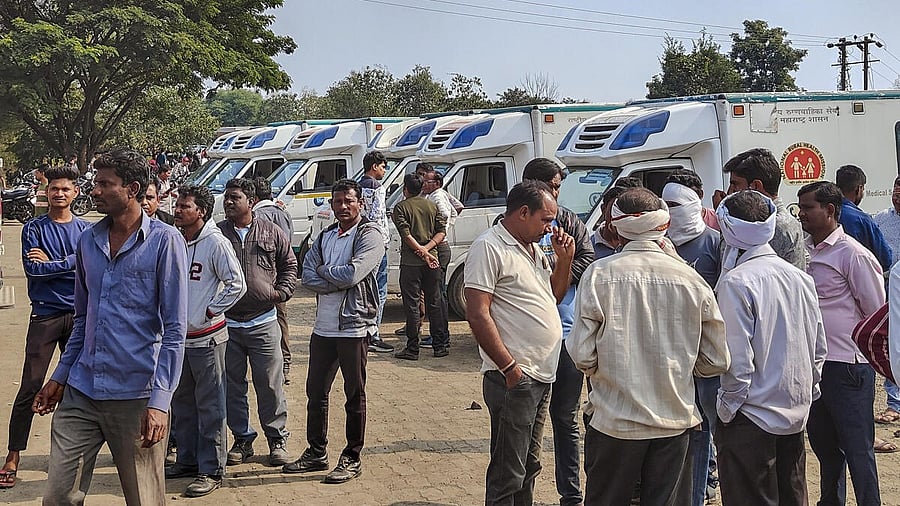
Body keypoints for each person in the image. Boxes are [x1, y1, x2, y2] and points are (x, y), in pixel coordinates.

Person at [34, 148, 188, 504]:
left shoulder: (166, 242)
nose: (95, 191)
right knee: (58, 496)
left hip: (136, 397)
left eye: (106, 184)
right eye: (96, 183)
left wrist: (160, 402)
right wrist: (59, 377)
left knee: (144, 498)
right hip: (82, 392)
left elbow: (175, 329)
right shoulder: (88, 240)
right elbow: (84, 317)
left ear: (132, 189)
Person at [567, 187, 729, 506]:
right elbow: (716, 359)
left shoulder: (598, 275)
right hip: (675, 422)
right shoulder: (691, 279)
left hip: (614, 424)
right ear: (664, 225)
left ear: (614, 226)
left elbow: (582, 355)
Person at [714, 190, 827, 506]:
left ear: (729, 229)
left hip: (750, 419)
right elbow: (818, 348)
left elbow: (737, 362)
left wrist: (727, 410)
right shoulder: (800, 278)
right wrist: (807, 393)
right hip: (794, 415)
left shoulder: (736, 282)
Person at [465, 180, 575, 505]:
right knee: (507, 472)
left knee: (529, 465)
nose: (549, 227)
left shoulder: (532, 247)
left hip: (540, 376)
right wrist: (510, 369)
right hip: (515, 378)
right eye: (545, 219)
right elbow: (477, 314)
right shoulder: (489, 247)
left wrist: (564, 260)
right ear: (523, 212)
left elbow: (553, 297)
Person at [283, 179, 385, 484]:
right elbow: (306, 274)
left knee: (354, 395)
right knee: (316, 392)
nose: (342, 207)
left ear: (361, 203)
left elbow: (354, 273)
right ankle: (316, 452)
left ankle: (352, 456)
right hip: (323, 328)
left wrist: (327, 274)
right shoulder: (326, 235)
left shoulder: (370, 235)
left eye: (348, 201)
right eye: (337, 201)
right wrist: (334, 278)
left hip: (354, 327)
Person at [0, 165, 89, 490]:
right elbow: (34, 271)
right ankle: (13, 456)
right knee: (31, 385)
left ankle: (74, 456)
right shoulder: (33, 228)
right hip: (45, 315)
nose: (59, 194)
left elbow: (90, 268)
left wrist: (58, 261)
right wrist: (72, 260)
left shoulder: (86, 230)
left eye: (66, 189)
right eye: (54, 189)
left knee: (78, 388)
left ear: (75, 192)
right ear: (45, 192)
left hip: (79, 317)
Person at [798, 181, 884, 506]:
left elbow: (876, 314)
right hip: (816, 367)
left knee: (858, 450)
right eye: (800, 207)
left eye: (808, 207)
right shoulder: (802, 252)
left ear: (830, 210)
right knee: (824, 448)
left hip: (848, 368)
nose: (801, 214)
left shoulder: (854, 255)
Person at [521, 158, 593, 506]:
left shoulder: (570, 221)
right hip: (526, 345)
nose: (556, 193)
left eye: (558, 187)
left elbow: (588, 257)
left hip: (565, 336)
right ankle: (522, 496)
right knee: (525, 427)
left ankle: (571, 495)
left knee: (565, 420)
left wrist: (558, 270)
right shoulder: (512, 225)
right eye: (551, 185)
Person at [166, 185, 246, 497]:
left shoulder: (215, 242)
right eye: (178, 205)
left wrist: (209, 310)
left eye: (185, 207)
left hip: (208, 339)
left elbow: (236, 283)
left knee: (211, 406)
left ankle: (211, 468)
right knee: (182, 404)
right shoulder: (176, 240)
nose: (178, 210)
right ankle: (186, 459)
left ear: (201, 211)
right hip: (178, 340)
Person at [218, 178, 297, 468]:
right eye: (227, 197)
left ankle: (277, 438)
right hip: (227, 325)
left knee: (270, 384)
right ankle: (242, 440)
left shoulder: (271, 231)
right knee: (232, 386)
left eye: (234, 197)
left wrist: (281, 293)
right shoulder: (217, 234)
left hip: (263, 322)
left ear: (250, 201)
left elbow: (289, 264)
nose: (228, 202)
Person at [661, 180, 723, 506]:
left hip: (708, 354)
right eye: (665, 206)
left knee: (712, 426)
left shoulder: (714, 243)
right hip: (674, 352)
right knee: (688, 430)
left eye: (676, 206)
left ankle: (708, 483)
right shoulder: (659, 245)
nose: (670, 213)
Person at [714, 148, 808, 271]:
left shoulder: (773, 225)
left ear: (756, 186)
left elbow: (734, 266)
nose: (730, 191)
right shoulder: (776, 221)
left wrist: (724, 218)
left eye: (735, 184)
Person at [392, 173, 450, 360]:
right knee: (435, 303)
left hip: (411, 263)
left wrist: (420, 251)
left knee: (413, 306)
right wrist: (427, 250)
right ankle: (439, 346)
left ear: (405, 189)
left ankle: (412, 348)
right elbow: (442, 231)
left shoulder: (400, 207)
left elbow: (405, 234)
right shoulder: (431, 206)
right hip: (432, 260)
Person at [252, 177, 295, 384]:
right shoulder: (283, 214)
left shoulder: (256, 216)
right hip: (280, 280)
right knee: (281, 321)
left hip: (263, 280)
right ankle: (285, 364)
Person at [358, 151, 395, 353]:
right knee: (379, 291)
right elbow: (377, 216)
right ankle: (374, 334)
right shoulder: (376, 187)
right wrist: (383, 240)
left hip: (362, 241)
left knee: (365, 290)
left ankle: (363, 332)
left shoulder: (358, 186)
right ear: (374, 166)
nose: (383, 171)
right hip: (377, 243)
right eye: (382, 167)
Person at [420, 165, 456, 348]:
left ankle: (440, 335)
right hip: (440, 245)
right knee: (436, 293)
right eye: (423, 181)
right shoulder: (433, 195)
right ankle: (439, 333)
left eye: (427, 181)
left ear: (437, 183)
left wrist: (436, 233)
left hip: (439, 247)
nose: (424, 184)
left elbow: (445, 214)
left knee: (436, 295)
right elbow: (458, 207)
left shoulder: (437, 196)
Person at [874, 177, 900, 426]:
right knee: (895, 344)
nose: (897, 197)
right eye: (895, 192)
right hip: (891, 292)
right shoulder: (881, 218)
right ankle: (895, 403)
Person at [835, 164, 893, 273]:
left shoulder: (825, 213)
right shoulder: (862, 220)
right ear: (858, 189)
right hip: (860, 279)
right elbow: (885, 259)